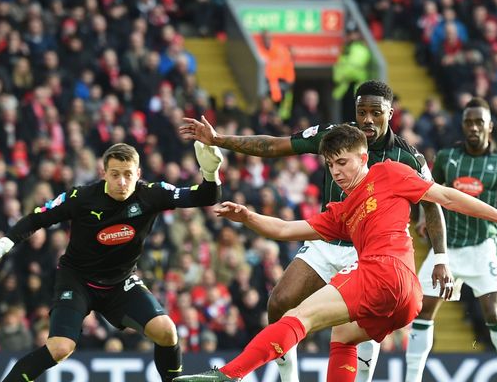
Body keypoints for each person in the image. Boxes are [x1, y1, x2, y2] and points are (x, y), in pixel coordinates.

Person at [174, 124, 497, 382]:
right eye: (331, 166)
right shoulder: (343, 211)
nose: (337, 172)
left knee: (299, 316)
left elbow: (447, 197)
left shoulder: (389, 172)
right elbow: (286, 230)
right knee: (343, 337)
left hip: (384, 274)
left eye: (343, 162)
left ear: (363, 156)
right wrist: (248, 217)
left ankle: (229, 375)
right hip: (405, 298)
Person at [179, 80, 449, 382]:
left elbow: (433, 204)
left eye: (376, 112)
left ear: (391, 112)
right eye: (362, 112)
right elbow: (276, 145)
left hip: (370, 249)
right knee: (280, 303)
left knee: (355, 335)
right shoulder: (335, 136)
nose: (368, 120)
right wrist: (219, 140)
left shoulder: (409, 158)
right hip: (328, 234)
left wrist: (440, 257)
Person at [0, 142, 224, 382]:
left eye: (128, 174)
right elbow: (37, 218)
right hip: (77, 280)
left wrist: (211, 172)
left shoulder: (152, 194)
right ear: (103, 173)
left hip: (120, 282)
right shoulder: (82, 197)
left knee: (167, 331)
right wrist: (1, 246)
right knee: (60, 348)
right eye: (114, 174)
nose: (122, 182)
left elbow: (205, 196)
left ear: (138, 173)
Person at [406, 98, 497, 382]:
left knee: (492, 311)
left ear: (490, 126)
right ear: (462, 126)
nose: (473, 127)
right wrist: (425, 219)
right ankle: (411, 378)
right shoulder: (448, 157)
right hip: (446, 250)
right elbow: (428, 195)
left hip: (482, 248)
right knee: (422, 310)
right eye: (468, 122)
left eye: (479, 122)